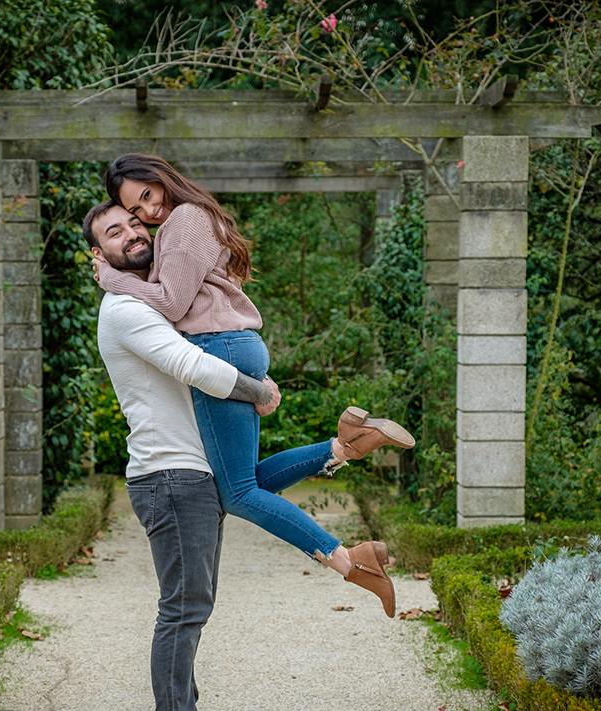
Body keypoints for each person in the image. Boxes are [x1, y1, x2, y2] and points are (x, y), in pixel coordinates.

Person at [93, 153, 412, 617]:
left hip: (217, 347)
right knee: (239, 485)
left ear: (161, 179)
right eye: (137, 211)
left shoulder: (183, 220)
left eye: (147, 195)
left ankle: (349, 561)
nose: (149, 212)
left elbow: (172, 302)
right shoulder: (191, 219)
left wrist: (114, 280)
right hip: (233, 344)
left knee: (237, 493)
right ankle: (345, 447)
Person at [85, 200, 277, 711]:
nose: (132, 232)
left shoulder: (149, 298)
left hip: (187, 471)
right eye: (115, 232)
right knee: (184, 607)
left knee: (192, 603)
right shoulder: (123, 309)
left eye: (136, 223)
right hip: (169, 475)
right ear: (100, 256)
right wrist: (255, 389)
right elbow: (190, 364)